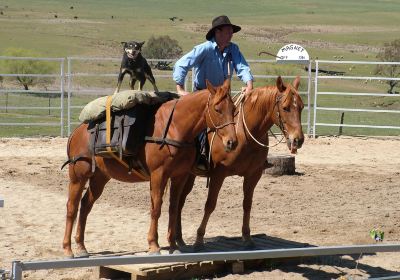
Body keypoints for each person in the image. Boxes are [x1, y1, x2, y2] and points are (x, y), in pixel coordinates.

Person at [173, 15, 254, 172]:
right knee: (200, 126)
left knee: (237, 117)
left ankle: (249, 156)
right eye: (228, 31)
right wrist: (179, 88)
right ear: (217, 32)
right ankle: (201, 156)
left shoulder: (233, 49)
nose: (231, 34)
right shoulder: (205, 48)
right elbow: (181, 64)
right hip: (204, 95)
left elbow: (242, 66)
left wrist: (249, 85)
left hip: (223, 95)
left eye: (232, 32)